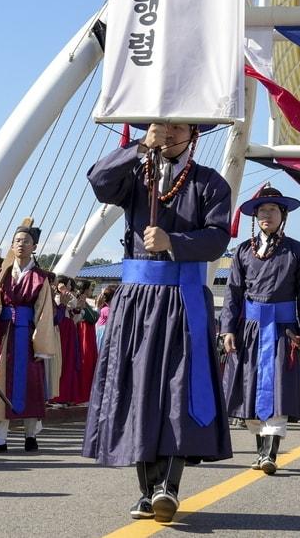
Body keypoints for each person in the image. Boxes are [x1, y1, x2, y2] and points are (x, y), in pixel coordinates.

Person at [84, 122, 232, 523]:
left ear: (193, 135)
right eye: (159, 126)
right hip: (136, 302)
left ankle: (169, 485)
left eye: (176, 127)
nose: (167, 134)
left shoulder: (210, 183)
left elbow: (219, 237)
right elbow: (98, 180)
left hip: (182, 299)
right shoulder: (135, 175)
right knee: (138, 390)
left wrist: (174, 243)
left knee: (179, 390)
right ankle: (146, 491)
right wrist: (137, 147)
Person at [221, 184, 300, 474]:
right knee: (250, 388)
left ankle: (270, 454)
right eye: (262, 210)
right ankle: (260, 450)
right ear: (255, 216)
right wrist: (228, 330)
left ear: (283, 215)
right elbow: (232, 293)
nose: (267, 215)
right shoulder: (242, 252)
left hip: (283, 330)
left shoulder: (296, 251)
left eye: (273, 210)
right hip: (249, 330)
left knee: (278, 390)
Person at [0, 221, 59, 453]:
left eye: (26, 241)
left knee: (29, 385)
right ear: (11, 245)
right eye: (17, 241)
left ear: (35, 246)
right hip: (2, 334)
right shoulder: (0, 274)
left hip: (26, 335)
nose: (21, 245)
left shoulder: (40, 278)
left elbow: (43, 312)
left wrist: (40, 343)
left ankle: (30, 435)